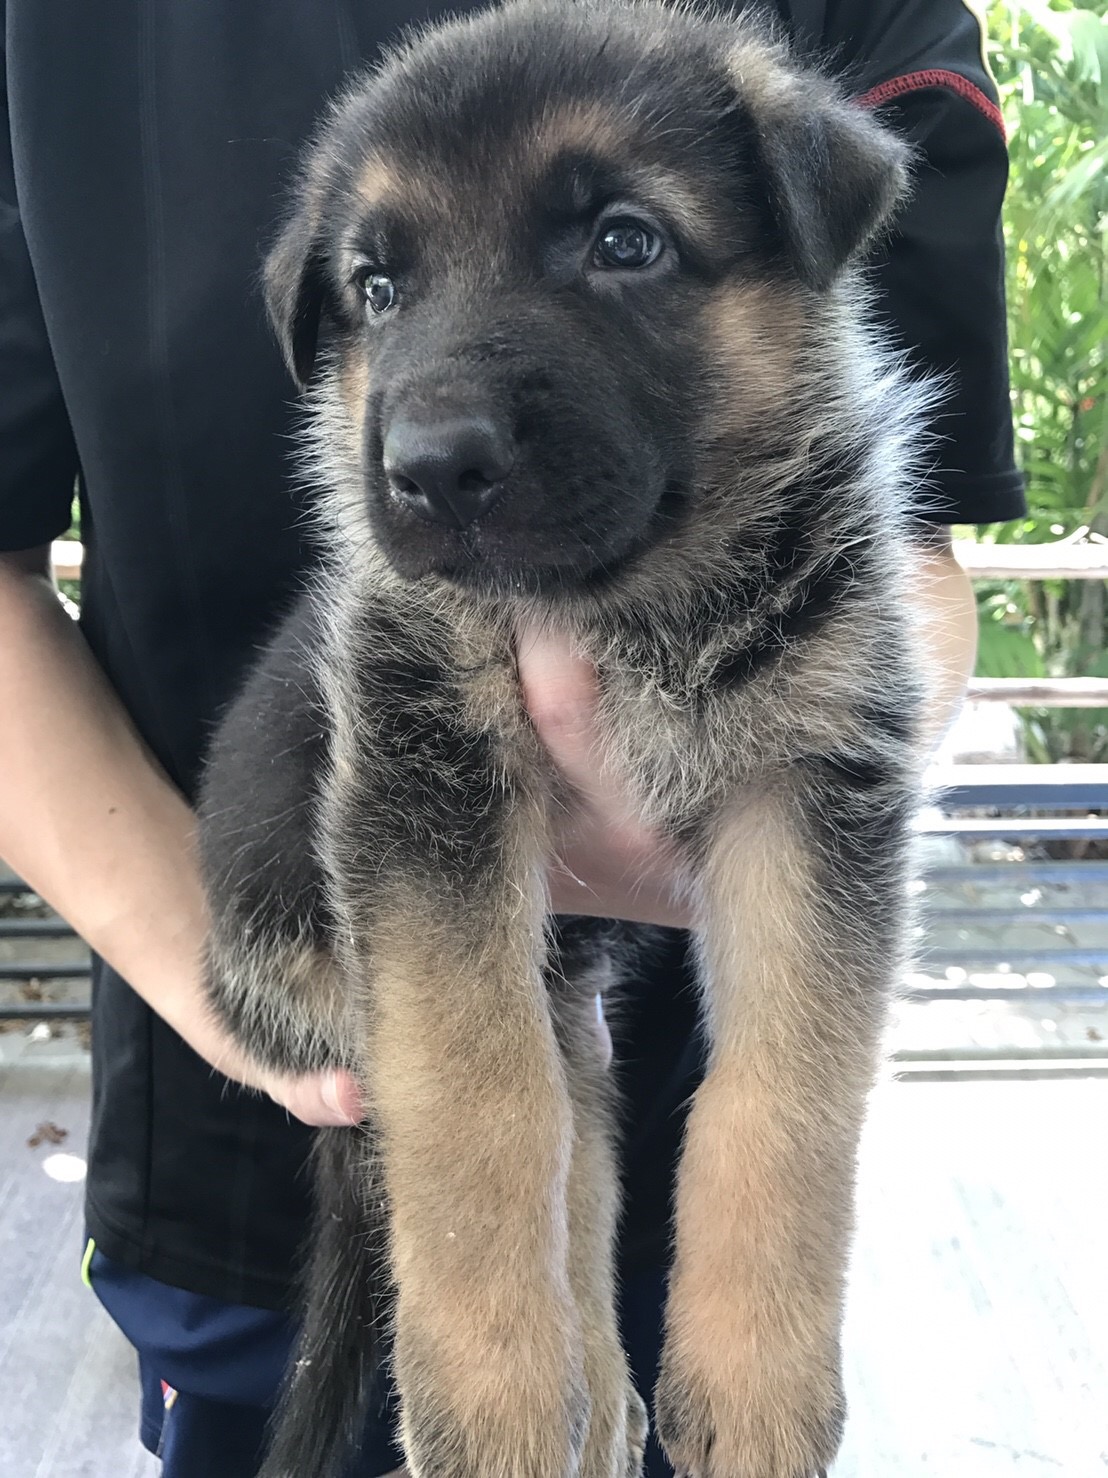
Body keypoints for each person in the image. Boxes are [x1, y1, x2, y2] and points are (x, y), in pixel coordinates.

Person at [0, 0, 1025, 1473]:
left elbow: (905, 589)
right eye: (381, 286)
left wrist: (772, 785)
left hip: (685, 1157)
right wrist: (293, 1034)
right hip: (227, 1123)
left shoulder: (783, 106)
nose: (438, 420)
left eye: (622, 242)